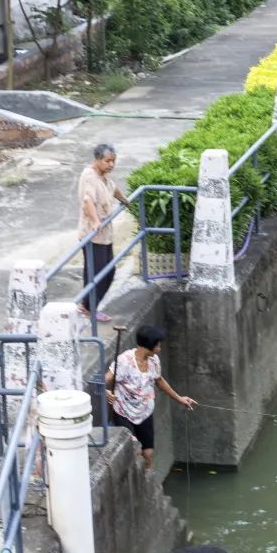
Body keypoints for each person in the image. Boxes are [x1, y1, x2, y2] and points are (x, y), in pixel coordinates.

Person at [106, 324, 196, 470]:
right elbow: (106, 379)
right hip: (124, 412)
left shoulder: (153, 361)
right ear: (149, 345)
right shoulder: (125, 361)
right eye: (158, 345)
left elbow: (159, 380)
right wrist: (105, 392)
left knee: (148, 454)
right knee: (135, 449)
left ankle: (146, 480)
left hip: (144, 412)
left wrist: (179, 398)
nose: (159, 348)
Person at [77, 143, 130, 324]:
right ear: (97, 160)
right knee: (98, 273)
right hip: (93, 234)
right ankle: (88, 308)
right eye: (107, 161)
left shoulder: (104, 176)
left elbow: (112, 188)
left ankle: (87, 306)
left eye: (113, 161)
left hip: (105, 234)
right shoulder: (90, 176)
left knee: (108, 270)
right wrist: (94, 221)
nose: (111, 165)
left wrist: (123, 199)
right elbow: (87, 201)